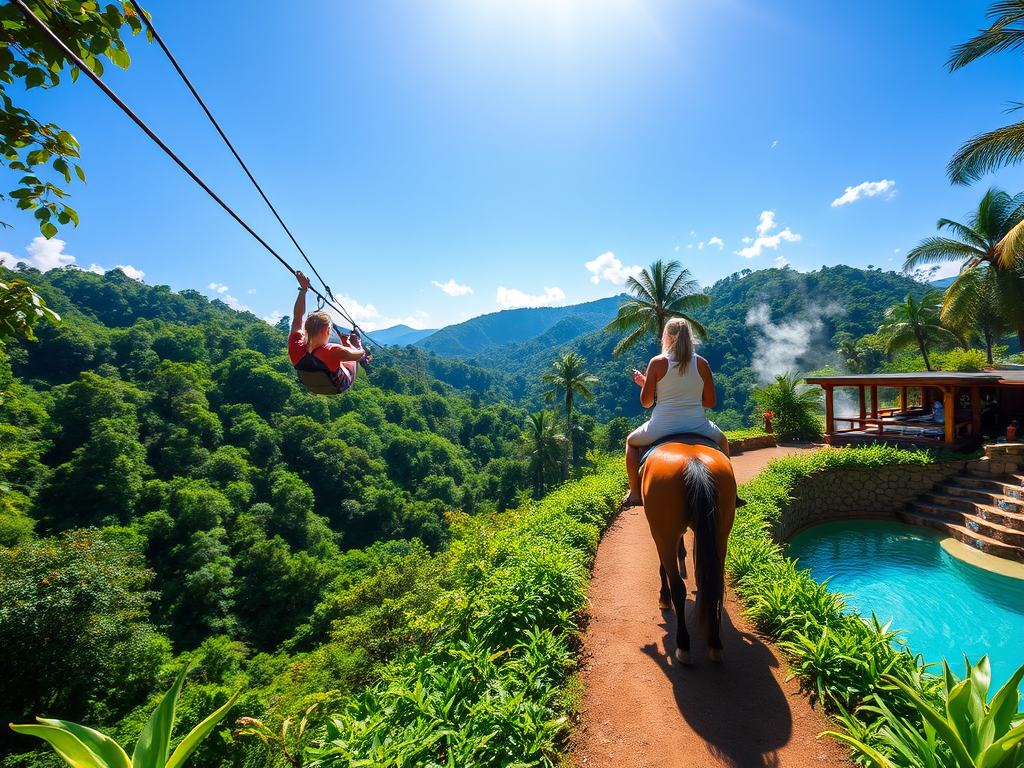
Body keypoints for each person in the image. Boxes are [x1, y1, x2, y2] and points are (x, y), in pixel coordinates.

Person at [621, 317, 733, 509]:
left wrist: (647, 385)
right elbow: (710, 402)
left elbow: (646, 403)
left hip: (662, 427)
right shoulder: (702, 364)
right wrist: (688, 399)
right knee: (722, 440)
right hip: (698, 426)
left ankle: (635, 493)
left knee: (631, 441)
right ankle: (732, 494)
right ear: (689, 336)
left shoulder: (657, 362)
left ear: (668, 336)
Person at [288, 270, 369, 392]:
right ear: (325, 329)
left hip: (311, 385)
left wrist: (303, 289)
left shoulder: (296, 345)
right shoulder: (333, 350)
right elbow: (359, 354)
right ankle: (361, 352)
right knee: (354, 353)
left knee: (340, 358)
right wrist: (352, 344)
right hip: (337, 386)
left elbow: (297, 317)